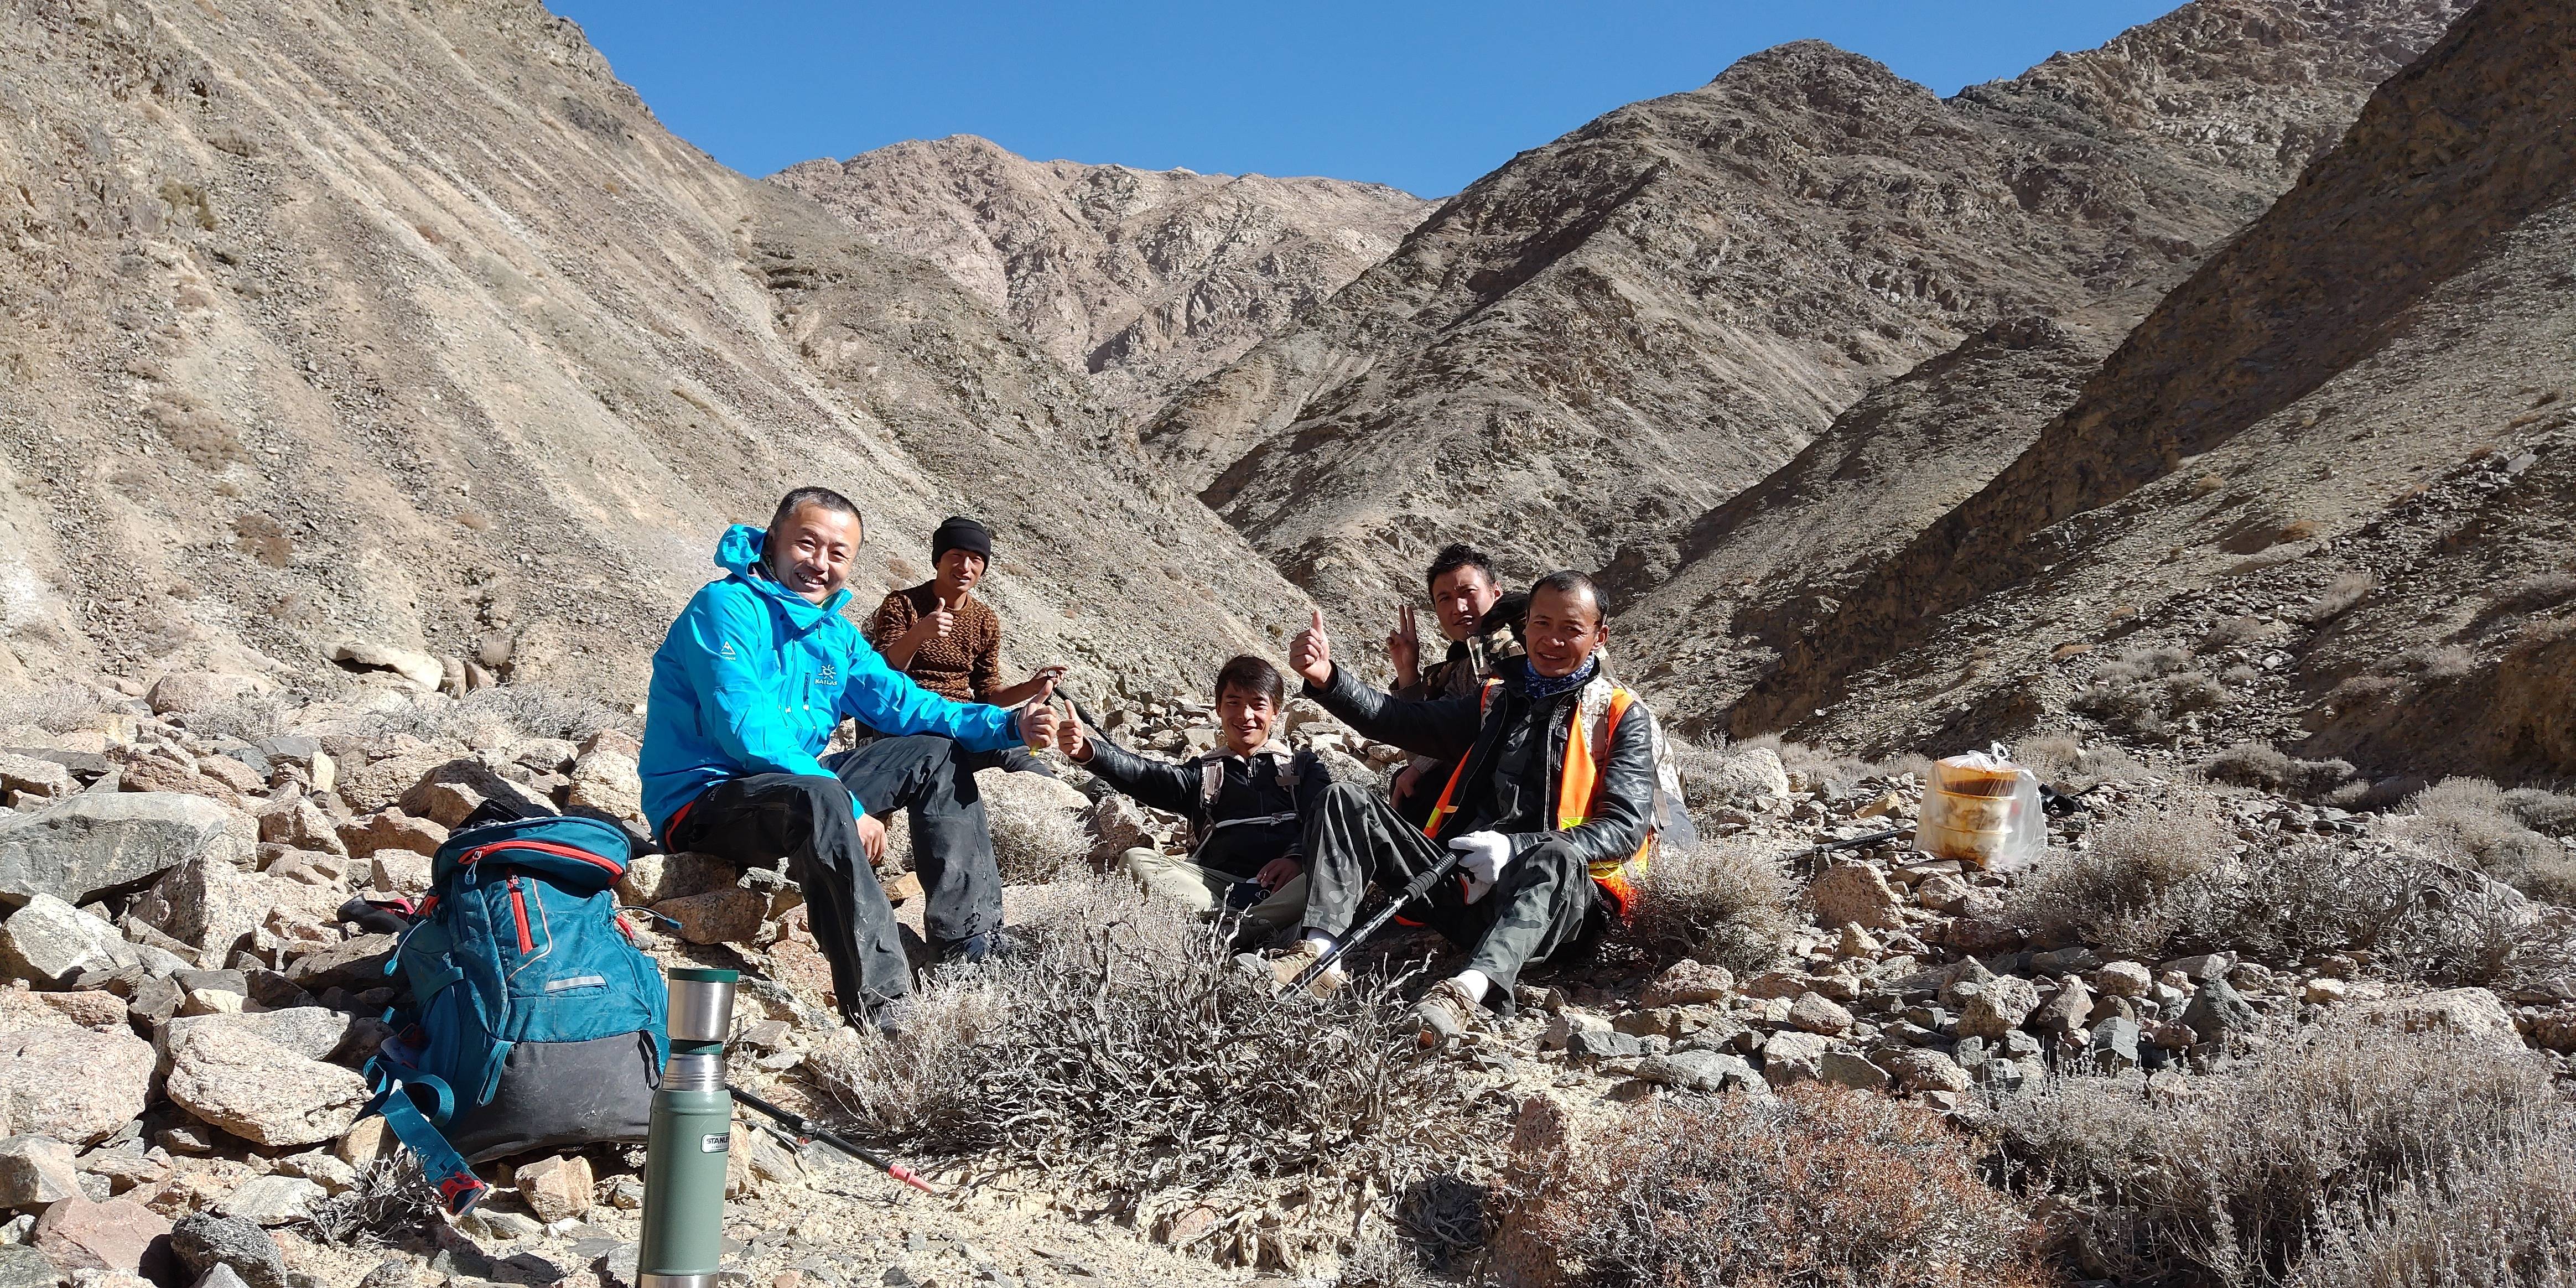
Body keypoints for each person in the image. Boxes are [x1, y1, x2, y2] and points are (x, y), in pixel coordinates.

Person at [640, 489, 1063, 1035]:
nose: (820, 563)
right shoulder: (725, 610)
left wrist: (1009, 725)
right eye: (807, 544)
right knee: (820, 796)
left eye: (837, 554)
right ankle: (885, 1010)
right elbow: (743, 726)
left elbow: (909, 704)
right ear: (774, 542)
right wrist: (844, 799)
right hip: (706, 801)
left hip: (788, 792)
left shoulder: (833, 634)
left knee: (934, 752)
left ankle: (970, 943)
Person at [1282, 570, 1668, 1047]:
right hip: (1462, 882)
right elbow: (1399, 719)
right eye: (1541, 624)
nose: (1551, 640)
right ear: (1525, 627)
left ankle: (1466, 993)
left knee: (1556, 854)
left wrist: (1515, 847)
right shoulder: (1493, 700)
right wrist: (1329, 680)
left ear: (1598, 636)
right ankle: (1320, 955)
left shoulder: (1621, 714)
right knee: (1345, 800)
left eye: (1570, 629)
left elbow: (1624, 828)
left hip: (1558, 905)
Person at [1058, 656, 1330, 941]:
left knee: (1327, 875)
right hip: (1213, 887)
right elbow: (1145, 776)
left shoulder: (1303, 766)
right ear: (1218, 708)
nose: (1245, 715)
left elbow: (1325, 819)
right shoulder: (1203, 773)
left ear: (1276, 711)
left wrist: (1297, 857)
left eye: (1258, 704)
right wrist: (1088, 751)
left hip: (1286, 885)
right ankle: (1243, 923)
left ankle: (1233, 929)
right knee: (1136, 860)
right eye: (1234, 702)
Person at [865, 515, 1065, 776]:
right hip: (909, 715)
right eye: (956, 555)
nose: (965, 567)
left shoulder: (985, 620)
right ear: (938, 560)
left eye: (976, 560)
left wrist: (1032, 687)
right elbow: (883, 672)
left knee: (1029, 764)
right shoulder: (902, 604)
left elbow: (989, 693)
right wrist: (920, 634)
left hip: (966, 719)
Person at [1384, 544, 1518, 823]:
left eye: (1468, 593)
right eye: (1444, 598)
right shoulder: (1463, 666)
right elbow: (1427, 741)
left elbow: (1494, 722)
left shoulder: (1522, 646)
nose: (1458, 608)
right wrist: (1408, 671)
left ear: (1496, 592)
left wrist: (1420, 768)